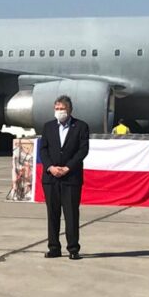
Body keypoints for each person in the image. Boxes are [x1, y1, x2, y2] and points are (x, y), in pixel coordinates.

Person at [39, 95, 90, 260]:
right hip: (51, 177)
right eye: (57, 109)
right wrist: (50, 167)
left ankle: (73, 248)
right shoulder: (48, 127)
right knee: (52, 214)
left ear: (70, 110)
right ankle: (54, 247)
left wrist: (68, 167)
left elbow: (82, 150)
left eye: (62, 109)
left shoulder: (80, 126)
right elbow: (43, 150)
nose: (59, 112)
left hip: (71, 178)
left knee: (71, 214)